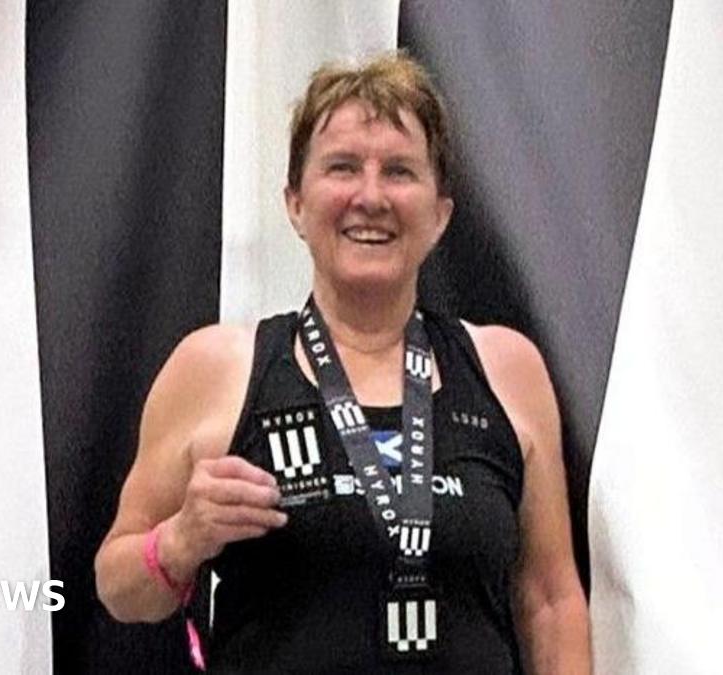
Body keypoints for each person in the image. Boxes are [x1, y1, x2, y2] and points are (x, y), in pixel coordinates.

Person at [94, 52, 591, 674]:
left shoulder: (507, 367)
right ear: (296, 203)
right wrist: (181, 539)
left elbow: (550, 598)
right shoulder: (214, 367)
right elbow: (118, 589)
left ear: (440, 216)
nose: (371, 196)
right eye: (343, 167)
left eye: (401, 172)